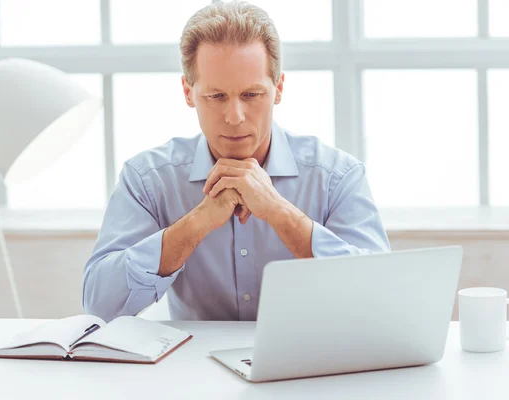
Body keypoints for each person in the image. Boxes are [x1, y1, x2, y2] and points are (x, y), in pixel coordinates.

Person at [83, 1, 390, 322]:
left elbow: (380, 299)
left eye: (251, 95)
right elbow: (100, 305)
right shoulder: (148, 179)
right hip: (191, 370)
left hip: (309, 367)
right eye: (216, 97)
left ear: (279, 88)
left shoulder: (337, 177)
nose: (234, 117)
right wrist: (197, 222)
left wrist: (278, 211)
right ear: (188, 92)